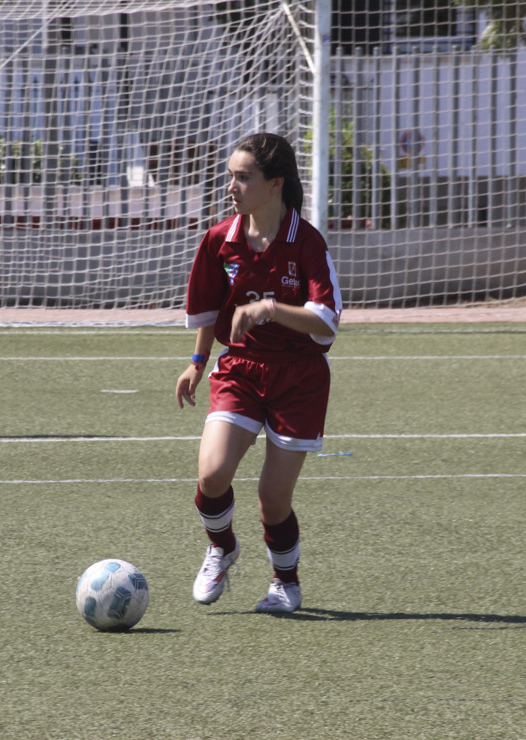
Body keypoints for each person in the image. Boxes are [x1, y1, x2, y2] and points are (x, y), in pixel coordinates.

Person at [176, 133, 342, 613]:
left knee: (272, 500)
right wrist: (196, 362)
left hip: (299, 377)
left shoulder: (306, 242)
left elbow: (327, 322)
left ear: (275, 184)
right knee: (212, 474)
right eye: (231, 176)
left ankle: (284, 582)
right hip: (242, 370)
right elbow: (208, 309)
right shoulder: (220, 240)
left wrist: (271, 308)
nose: (232, 186)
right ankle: (222, 546)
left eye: (243, 177)